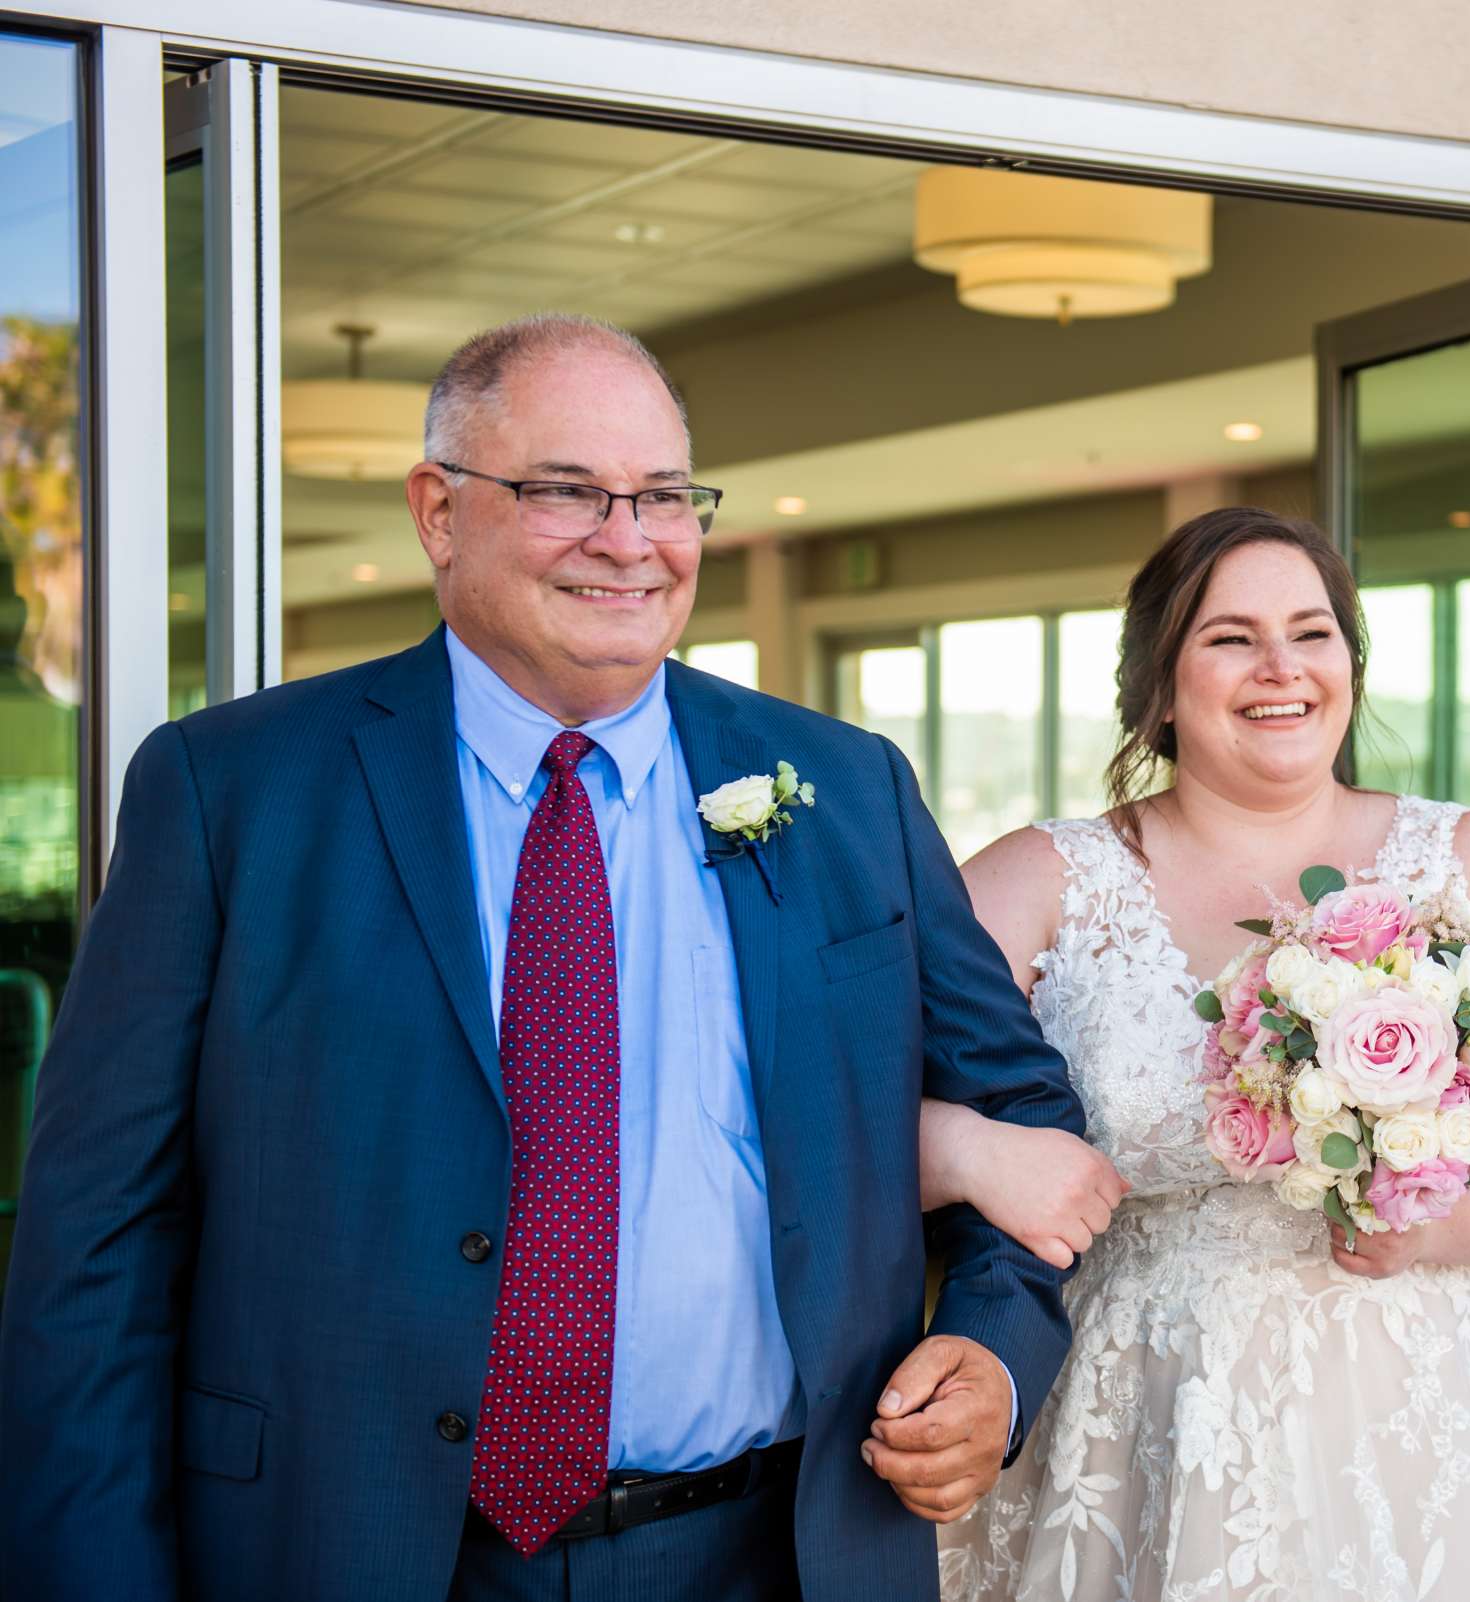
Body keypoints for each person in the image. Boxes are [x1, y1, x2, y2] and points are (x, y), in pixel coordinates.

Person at [0, 314, 1084, 1602]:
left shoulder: (844, 787)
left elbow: (1023, 1111)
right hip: (351, 1552)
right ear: (438, 512)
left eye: (666, 497)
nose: (628, 540)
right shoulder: (232, 791)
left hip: (779, 1550)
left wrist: (992, 1353)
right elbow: (99, 1240)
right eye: (566, 490)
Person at [928, 507, 1470, 1600]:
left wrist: (1440, 1228)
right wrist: (968, 1153)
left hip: (1431, 1425)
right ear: (1159, 683)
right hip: (1141, 1416)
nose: (1281, 667)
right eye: (1231, 637)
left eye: (1312, 633)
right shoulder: (1046, 881)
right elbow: (844, 1099)